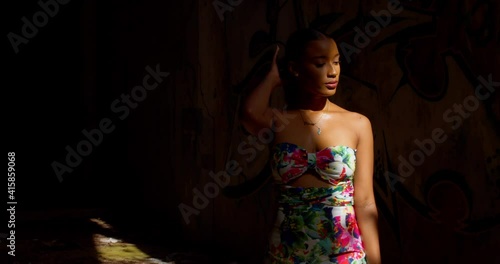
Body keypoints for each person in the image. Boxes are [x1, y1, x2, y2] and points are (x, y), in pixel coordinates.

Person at [241, 28, 381, 263]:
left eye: (336, 62)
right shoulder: (280, 121)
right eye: (320, 64)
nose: (332, 72)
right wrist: (273, 78)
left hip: (344, 253)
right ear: (295, 69)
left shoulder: (357, 124)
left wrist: (376, 261)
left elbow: (366, 202)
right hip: (286, 252)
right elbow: (249, 113)